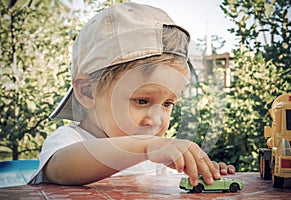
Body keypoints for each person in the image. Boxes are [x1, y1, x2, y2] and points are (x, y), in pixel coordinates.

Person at [29, 2, 235, 186]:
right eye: (142, 101)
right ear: (87, 91)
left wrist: (199, 171)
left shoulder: (154, 159)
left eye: (168, 103)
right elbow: (61, 169)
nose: (156, 120)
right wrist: (145, 147)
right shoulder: (70, 141)